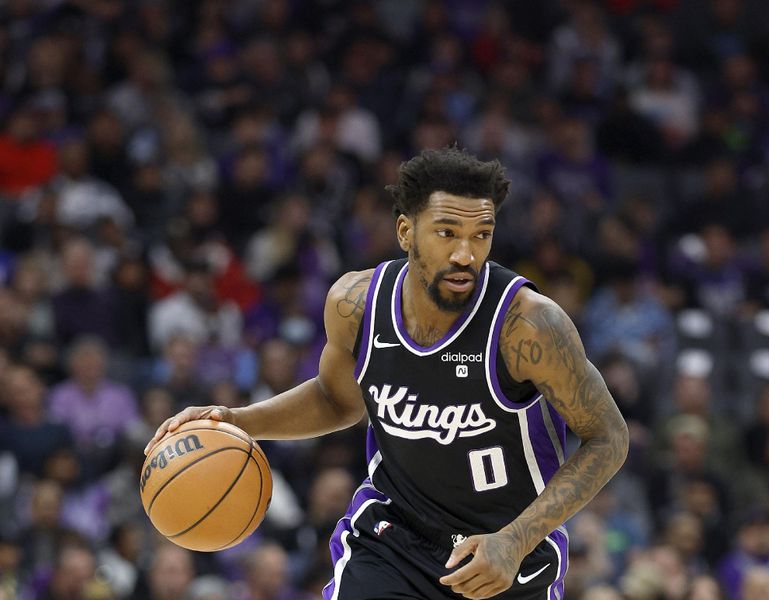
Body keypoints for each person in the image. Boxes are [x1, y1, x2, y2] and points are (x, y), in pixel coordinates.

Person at [145, 147, 629, 600]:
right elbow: (337, 401)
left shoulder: (527, 325)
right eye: (447, 233)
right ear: (405, 232)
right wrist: (237, 420)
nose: (466, 253)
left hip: (506, 549)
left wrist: (515, 539)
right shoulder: (356, 305)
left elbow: (608, 437)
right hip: (394, 538)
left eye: (481, 235)